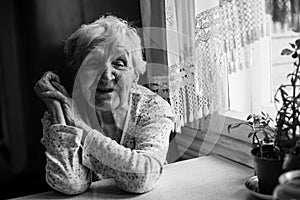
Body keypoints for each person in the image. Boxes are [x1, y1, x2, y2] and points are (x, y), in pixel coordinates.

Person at [34, 15, 175, 195]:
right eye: (93, 63)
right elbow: (68, 184)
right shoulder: (64, 110)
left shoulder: (154, 109)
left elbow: (142, 177)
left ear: (135, 76)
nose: (106, 75)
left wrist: (79, 126)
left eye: (119, 63)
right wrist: (55, 107)